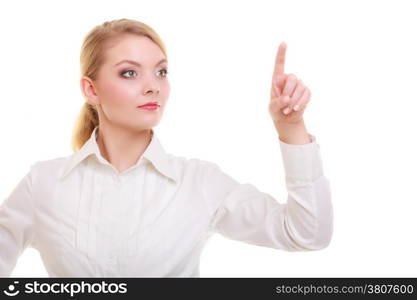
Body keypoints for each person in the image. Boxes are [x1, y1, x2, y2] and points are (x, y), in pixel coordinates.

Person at [0, 18, 333, 277]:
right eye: (129, 73)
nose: (152, 87)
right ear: (91, 89)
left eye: (161, 72)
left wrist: (291, 128)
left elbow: (306, 234)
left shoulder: (199, 182)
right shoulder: (43, 184)